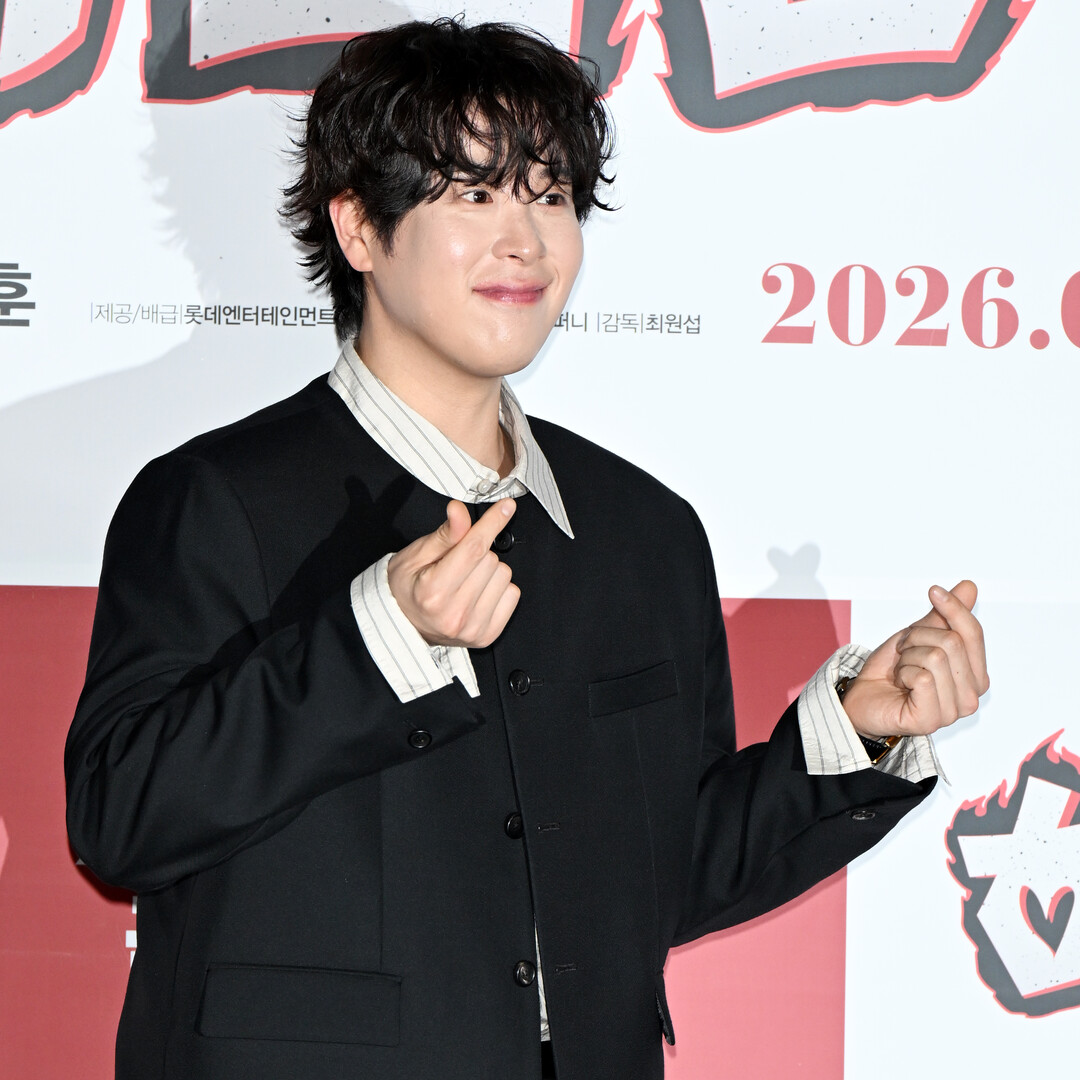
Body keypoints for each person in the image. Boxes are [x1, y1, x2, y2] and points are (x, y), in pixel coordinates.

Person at [65, 18, 988, 1080]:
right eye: (473, 194)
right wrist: (378, 638)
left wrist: (854, 733)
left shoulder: (642, 531)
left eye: (550, 197)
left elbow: (658, 873)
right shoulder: (214, 500)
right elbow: (120, 820)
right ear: (359, 228)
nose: (526, 242)